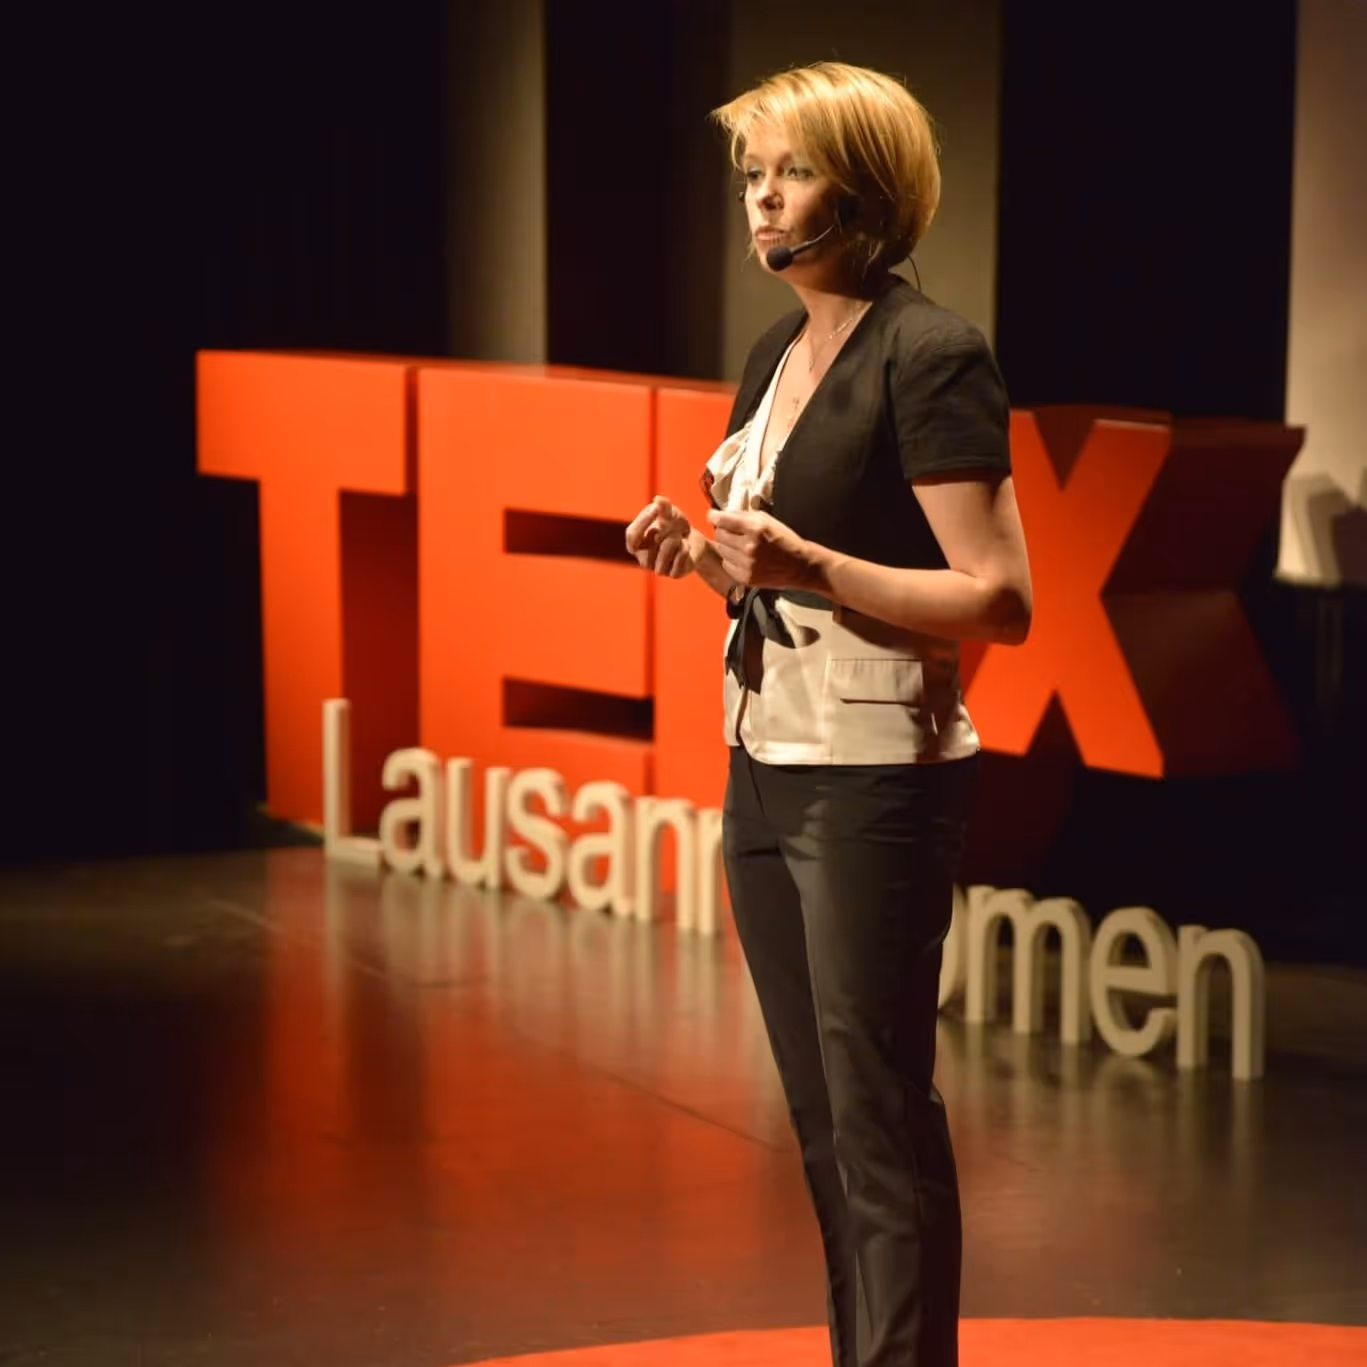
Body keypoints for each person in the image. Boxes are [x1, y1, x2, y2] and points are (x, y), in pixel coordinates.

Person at [624, 62, 1032, 1367]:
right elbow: (777, 566)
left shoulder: (931, 350)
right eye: (751, 175)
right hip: (766, 759)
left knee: (877, 1117)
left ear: (860, 189)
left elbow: (998, 600)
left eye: (787, 172)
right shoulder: (776, 347)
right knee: (819, 1118)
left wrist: (808, 569)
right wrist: (701, 557)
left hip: (875, 777)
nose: (761, 199)